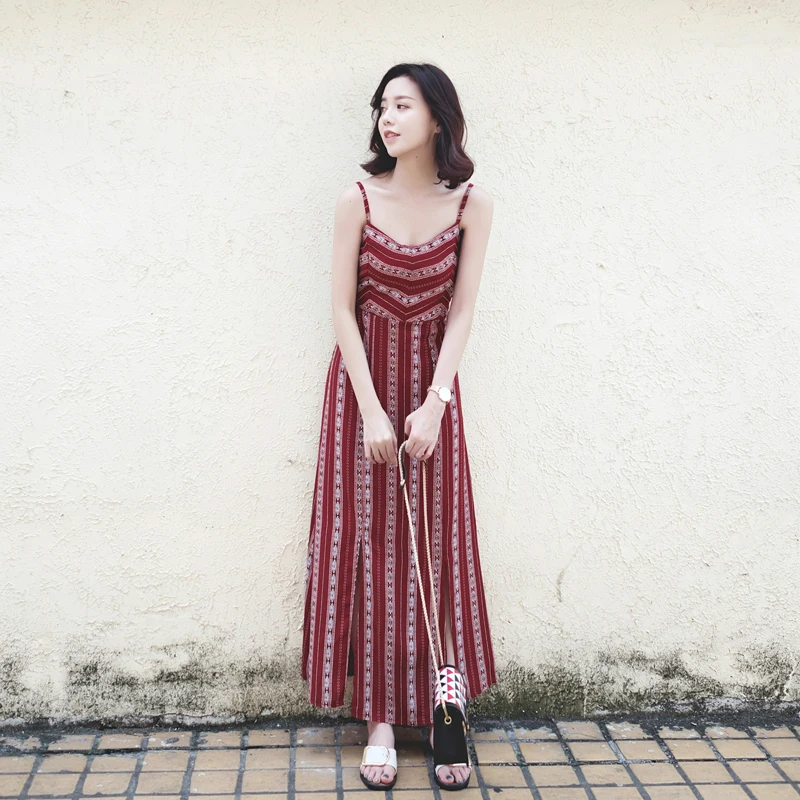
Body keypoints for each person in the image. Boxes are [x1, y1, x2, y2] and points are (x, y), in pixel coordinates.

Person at [301, 62, 498, 791]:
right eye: (382, 106)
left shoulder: (472, 204)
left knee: (438, 544)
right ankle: (379, 719)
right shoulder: (356, 199)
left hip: (433, 395)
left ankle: (446, 715)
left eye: (403, 105)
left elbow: (463, 310)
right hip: (363, 392)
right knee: (370, 545)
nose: (387, 118)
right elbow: (341, 310)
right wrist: (372, 409)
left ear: (438, 117)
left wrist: (436, 402)